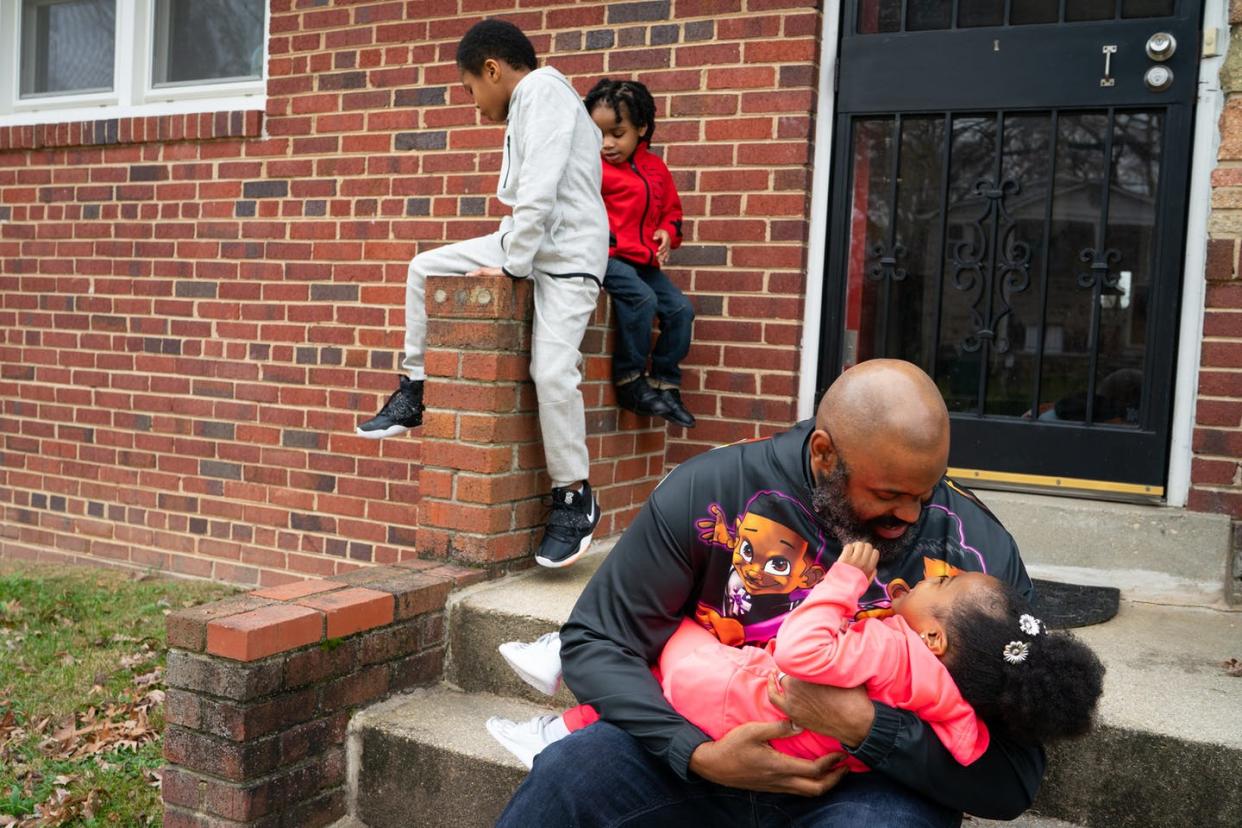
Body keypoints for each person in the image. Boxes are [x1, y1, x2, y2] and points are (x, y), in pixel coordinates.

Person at [497, 359, 1049, 826]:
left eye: (924, 494)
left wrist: (867, 728)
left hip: (866, 784)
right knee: (570, 777)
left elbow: (1012, 775)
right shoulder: (711, 488)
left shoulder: (978, 559)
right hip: (701, 747)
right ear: (826, 454)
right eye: (889, 494)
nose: (908, 516)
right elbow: (597, 641)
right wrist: (697, 753)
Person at [487, 542, 1103, 772]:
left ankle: (564, 655)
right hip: (786, 740)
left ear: (935, 640)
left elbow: (801, 649)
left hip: (741, 700)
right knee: (664, 680)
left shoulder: (889, 650)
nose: (928, 579)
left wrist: (841, 585)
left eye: (939, 586)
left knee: (679, 629)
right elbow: (970, 750)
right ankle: (557, 731)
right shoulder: (952, 705)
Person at [354, 19, 609, 569]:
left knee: (553, 371)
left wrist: (511, 267)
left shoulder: (541, 91)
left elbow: (539, 189)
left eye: (471, 88)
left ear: (492, 69)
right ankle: (416, 386)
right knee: (425, 267)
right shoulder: (529, 103)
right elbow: (530, 204)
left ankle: (573, 494)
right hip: (528, 242)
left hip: (566, 261)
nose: (473, 104)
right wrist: (514, 253)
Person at [585, 78, 696, 428]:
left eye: (617, 133)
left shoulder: (656, 169)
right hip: (606, 257)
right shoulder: (591, 168)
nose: (606, 144)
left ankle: (665, 384)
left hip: (643, 261)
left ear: (641, 128)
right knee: (642, 300)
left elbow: (672, 212)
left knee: (681, 309)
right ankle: (631, 380)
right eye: (598, 133)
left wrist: (666, 231)